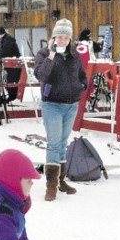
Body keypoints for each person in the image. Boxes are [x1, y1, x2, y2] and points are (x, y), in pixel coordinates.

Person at [33, 19, 87, 201]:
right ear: (54, 37)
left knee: (63, 143)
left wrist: (82, 85)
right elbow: (41, 75)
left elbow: (82, 74)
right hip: (52, 105)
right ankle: (51, 186)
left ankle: (61, 181)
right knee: (54, 144)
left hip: (71, 105)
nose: (63, 41)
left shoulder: (74, 54)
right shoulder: (44, 53)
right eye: (59, 37)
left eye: (66, 37)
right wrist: (52, 55)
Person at [0, 27, 21, 102]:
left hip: (13, 66)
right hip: (13, 66)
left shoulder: (7, 42)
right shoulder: (6, 40)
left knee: (11, 82)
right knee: (10, 81)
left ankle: (12, 97)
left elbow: (5, 53)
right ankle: (11, 97)